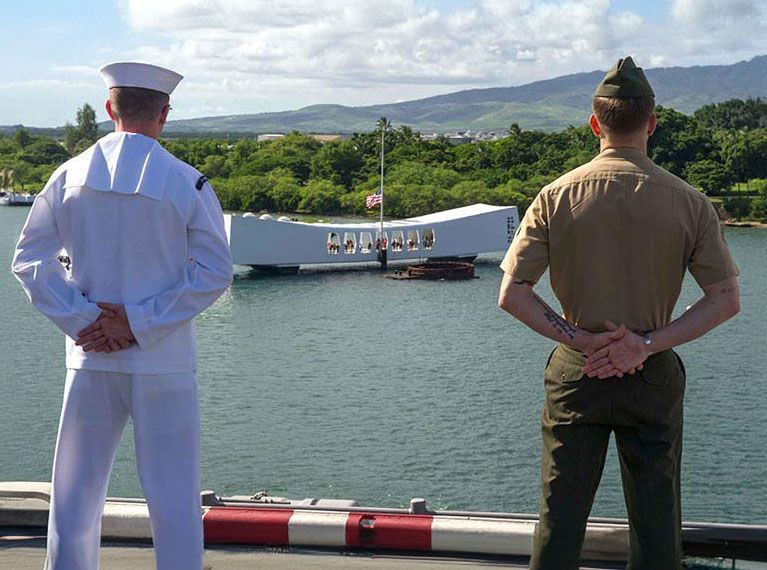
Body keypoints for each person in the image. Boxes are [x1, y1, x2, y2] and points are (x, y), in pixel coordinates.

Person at [497, 57, 740, 570]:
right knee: (656, 520)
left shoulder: (555, 196)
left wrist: (583, 342)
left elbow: (513, 293)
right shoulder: (690, 201)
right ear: (651, 122)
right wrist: (644, 344)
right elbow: (725, 299)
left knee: (560, 515)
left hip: (576, 370)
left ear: (594, 123)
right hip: (651, 373)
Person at [12, 61, 233, 570]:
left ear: (109, 109)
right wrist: (136, 323)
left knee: (73, 497)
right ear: (164, 113)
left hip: (89, 358)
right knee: (174, 498)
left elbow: (27, 261)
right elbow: (216, 272)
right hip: (163, 363)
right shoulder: (187, 182)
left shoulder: (66, 177)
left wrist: (83, 320)